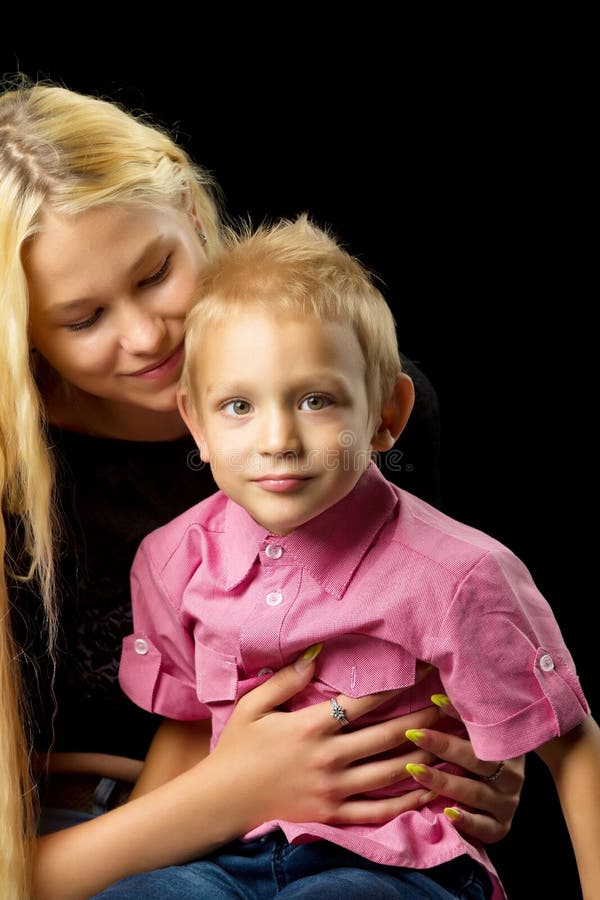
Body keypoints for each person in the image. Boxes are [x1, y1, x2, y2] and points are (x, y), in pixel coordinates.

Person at [0, 78, 524, 900]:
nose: (144, 336)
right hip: (76, 841)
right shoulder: (18, 484)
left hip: (348, 831)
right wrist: (230, 793)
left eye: (155, 273)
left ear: (193, 213)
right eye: (82, 319)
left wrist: (488, 766)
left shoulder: (361, 416)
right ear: (22, 331)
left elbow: (444, 644)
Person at [100, 215, 600, 900]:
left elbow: (572, 745)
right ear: (197, 422)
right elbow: (187, 728)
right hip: (228, 855)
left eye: (315, 400)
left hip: (398, 865)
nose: (277, 439)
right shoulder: (169, 562)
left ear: (386, 414)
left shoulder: (459, 577)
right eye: (239, 405)